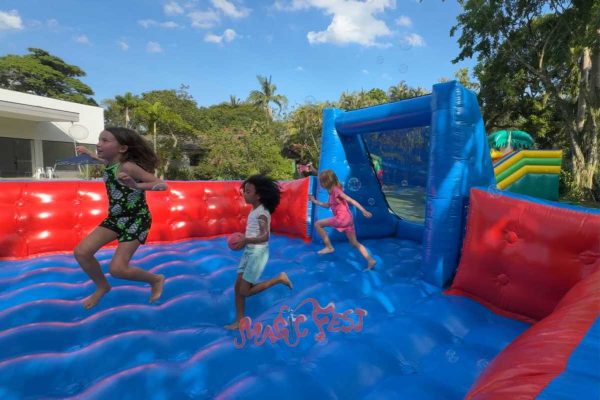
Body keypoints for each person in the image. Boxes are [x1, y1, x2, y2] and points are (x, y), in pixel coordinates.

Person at [74, 127, 168, 309]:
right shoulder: (110, 164)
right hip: (115, 218)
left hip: (136, 219)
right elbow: (100, 159)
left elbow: (162, 185)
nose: (99, 144)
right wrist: (89, 154)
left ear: (122, 148)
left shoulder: (128, 167)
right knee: (81, 252)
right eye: (99, 140)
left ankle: (156, 280)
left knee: (117, 269)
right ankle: (102, 286)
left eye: (105, 141)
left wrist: (136, 185)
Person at [225, 174, 293, 330]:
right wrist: (244, 239)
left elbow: (265, 235)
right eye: (245, 190)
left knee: (245, 291)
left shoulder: (262, 212)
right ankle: (240, 321)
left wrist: (246, 240)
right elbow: (254, 232)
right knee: (237, 288)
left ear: (259, 196)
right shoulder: (254, 209)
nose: (244, 194)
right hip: (250, 251)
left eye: (248, 191)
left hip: (258, 253)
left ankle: (279, 279)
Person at [309, 169, 377, 270]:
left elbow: (350, 200)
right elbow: (327, 205)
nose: (320, 184)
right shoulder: (332, 193)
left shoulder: (336, 191)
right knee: (354, 243)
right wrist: (315, 201)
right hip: (348, 220)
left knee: (318, 224)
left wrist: (363, 210)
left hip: (342, 219)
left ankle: (329, 247)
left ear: (326, 182)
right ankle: (370, 260)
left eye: (321, 182)